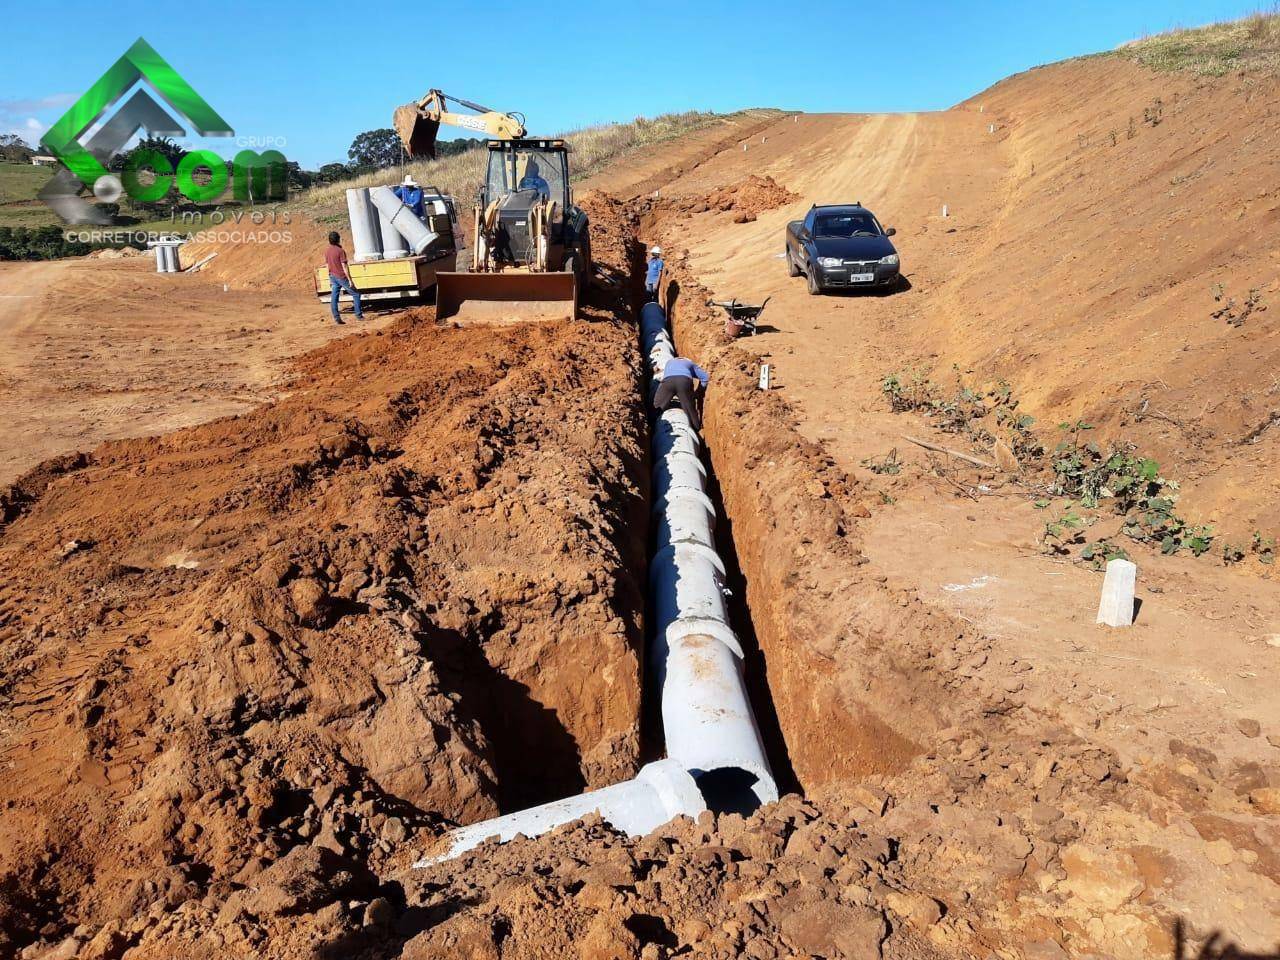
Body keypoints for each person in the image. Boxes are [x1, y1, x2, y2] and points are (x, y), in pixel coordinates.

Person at [654, 354, 709, 432]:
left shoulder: (669, 362)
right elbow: (705, 377)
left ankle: (652, 428)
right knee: (690, 410)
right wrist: (698, 392)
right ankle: (696, 430)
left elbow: (665, 378)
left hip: (668, 382)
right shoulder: (690, 363)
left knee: (657, 407)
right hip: (684, 382)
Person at [324, 231, 363, 325]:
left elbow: (327, 265)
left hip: (332, 276)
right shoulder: (340, 251)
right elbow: (344, 267)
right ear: (338, 239)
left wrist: (329, 277)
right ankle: (359, 315)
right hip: (341, 276)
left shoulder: (327, 251)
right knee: (356, 294)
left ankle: (337, 317)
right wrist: (350, 280)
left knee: (334, 297)